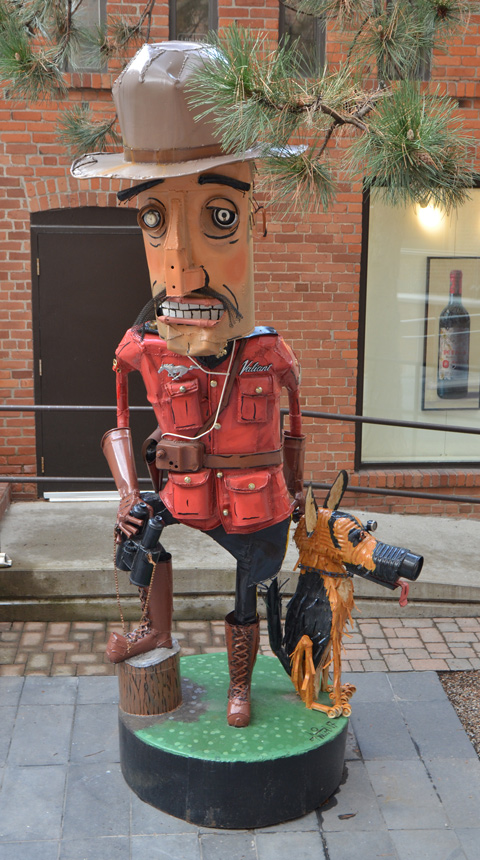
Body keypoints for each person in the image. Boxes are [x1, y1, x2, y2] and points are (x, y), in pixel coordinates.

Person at [72, 41, 305, 727]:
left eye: (219, 217)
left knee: (248, 583)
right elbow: (118, 418)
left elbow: (296, 428)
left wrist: (302, 495)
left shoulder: (272, 354)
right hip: (182, 489)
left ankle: (240, 683)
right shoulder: (141, 348)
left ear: (254, 220)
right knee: (139, 537)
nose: (182, 268)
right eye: (154, 219)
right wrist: (125, 492)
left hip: (255, 500)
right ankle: (156, 629)